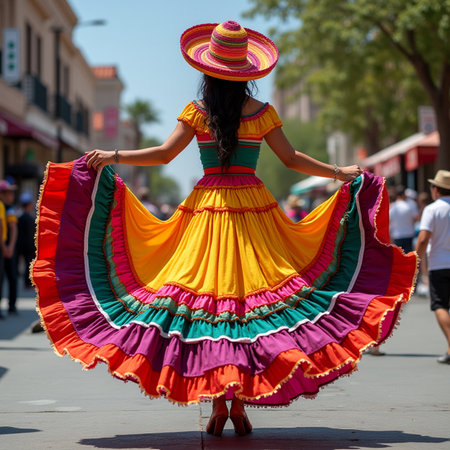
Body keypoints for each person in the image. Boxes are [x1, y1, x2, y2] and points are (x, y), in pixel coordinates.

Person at [32, 21, 418, 437]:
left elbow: (164, 155)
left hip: (207, 209)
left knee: (211, 305)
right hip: (255, 211)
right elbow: (291, 160)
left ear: (207, 68)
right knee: (250, 303)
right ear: (247, 71)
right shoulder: (263, 113)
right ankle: (239, 404)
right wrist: (340, 173)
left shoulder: (196, 112)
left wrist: (113, 155)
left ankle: (219, 402)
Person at [415, 170, 450, 365]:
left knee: (440, 305)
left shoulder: (432, 209)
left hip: (440, 263)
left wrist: (415, 262)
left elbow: (423, 239)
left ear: (435, 189)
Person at [0, 180, 18, 315]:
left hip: (6, 247)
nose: (12, 195)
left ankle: (11, 306)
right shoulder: (5, 207)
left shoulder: (8, 207)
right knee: (11, 277)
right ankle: (11, 306)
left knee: (9, 277)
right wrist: (9, 247)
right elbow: (11, 228)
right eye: (9, 192)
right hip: (5, 246)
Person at [389, 186, 417, 253]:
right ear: (404, 195)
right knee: (408, 257)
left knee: (398, 258)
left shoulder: (392, 206)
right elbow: (416, 218)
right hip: (409, 234)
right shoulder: (411, 205)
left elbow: (389, 221)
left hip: (397, 235)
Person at [17, 191, 36, 290]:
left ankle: (27, 282)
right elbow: (30, 234)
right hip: (28, 246)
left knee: (25, 265)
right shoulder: (29, 218)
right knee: (29, 265)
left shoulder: (19, 217)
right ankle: (28, 283)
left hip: (21, 245)